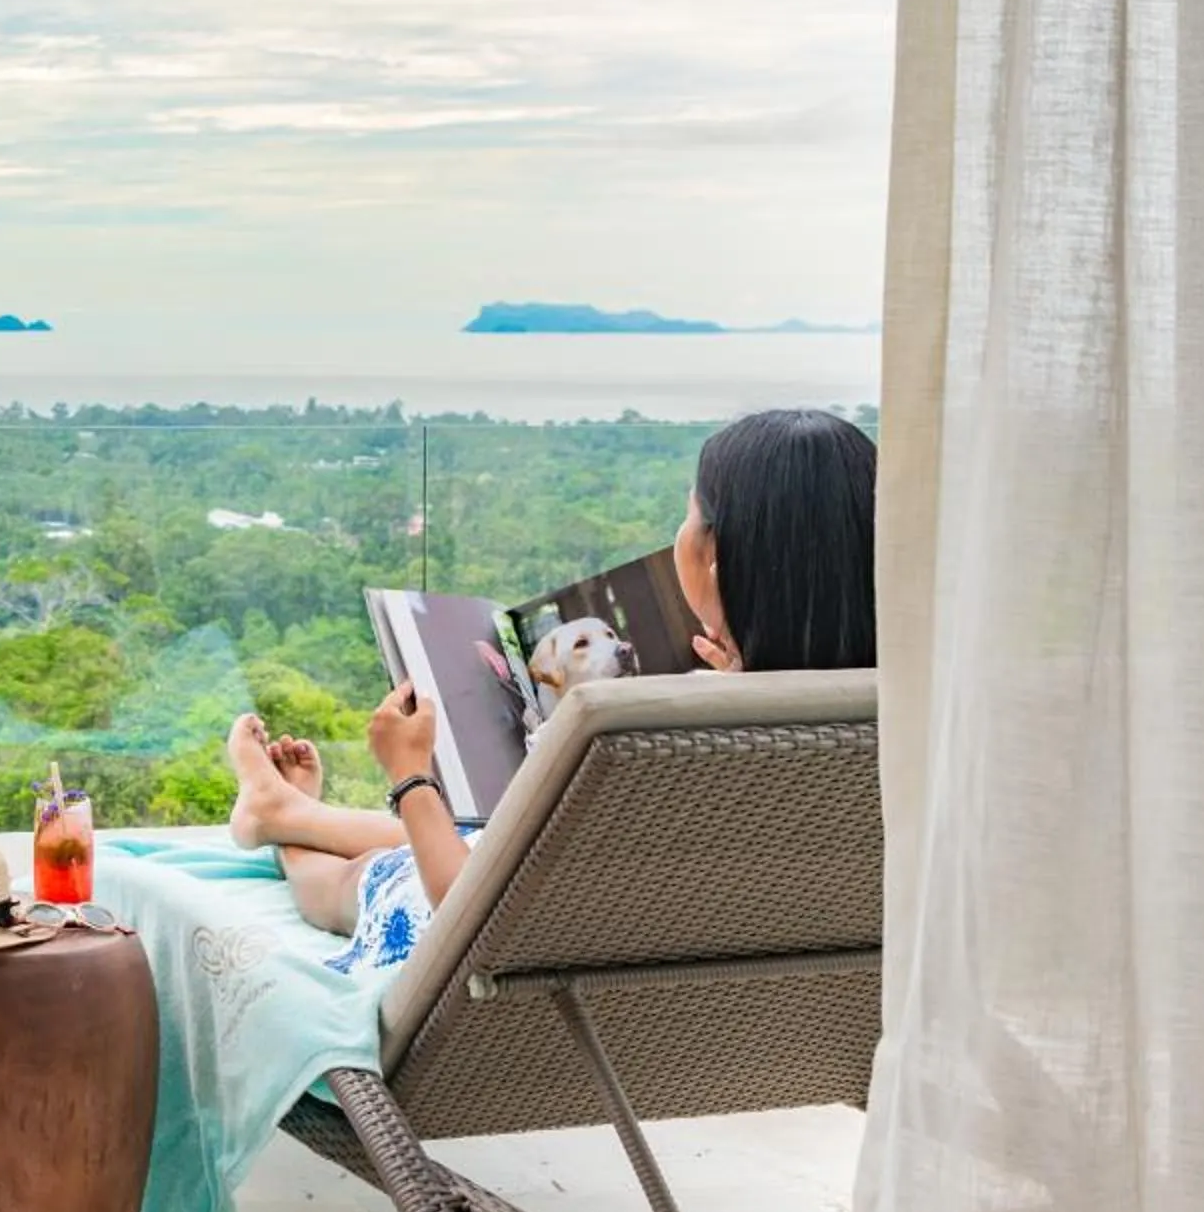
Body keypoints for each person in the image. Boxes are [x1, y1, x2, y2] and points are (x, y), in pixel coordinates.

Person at [223, 408, 877, 971]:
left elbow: (465, 913)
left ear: (713, 556)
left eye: (690, 512)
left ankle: (286, 832)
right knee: (489, 840)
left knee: (355, 878)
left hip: (561, 963)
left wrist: (409, 774)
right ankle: (283, 810)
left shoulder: (668, 735)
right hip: (715, 955)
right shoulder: (890, 715)